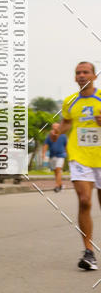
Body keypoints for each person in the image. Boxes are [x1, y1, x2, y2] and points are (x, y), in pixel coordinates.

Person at [58, 61, 101, 271]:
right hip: (79, 156)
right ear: (75, 78)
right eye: (78, 73)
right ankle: (89, 252)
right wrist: (58, 129)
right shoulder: (70, 102)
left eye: (86, 72)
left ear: (94, 76)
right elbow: (67, 121)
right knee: (84, 200)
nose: (82, 75)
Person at [42, 122, 68, 192]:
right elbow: (45, 145)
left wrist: (68, 154)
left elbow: (66, 145)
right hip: (52, 156)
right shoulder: (49, 136)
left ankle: (57, 186)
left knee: (58, 169)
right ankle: (60, 184)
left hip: (61, 155)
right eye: (54, 126)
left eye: (57, 126)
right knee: (56, 172)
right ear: (52, 127)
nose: (55, 128)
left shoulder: (63, 135)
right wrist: (43, 154)